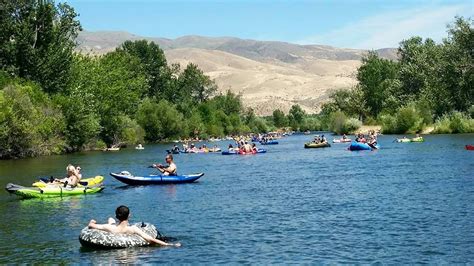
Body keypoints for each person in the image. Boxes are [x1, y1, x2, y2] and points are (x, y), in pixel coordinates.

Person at [87, 205, 180, 247]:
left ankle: (113, 220)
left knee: (110, 220)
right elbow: (150, 239)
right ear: (129, 215)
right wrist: (169, 245)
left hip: (115, 229)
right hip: (125, 231)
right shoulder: (132, 229)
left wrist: (92, 221)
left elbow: (91, 226)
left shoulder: (109, 227)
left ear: (117, 216)